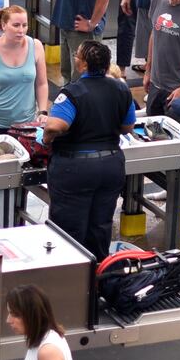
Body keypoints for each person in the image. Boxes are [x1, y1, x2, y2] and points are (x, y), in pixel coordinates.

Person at [41, 39, 135, 258]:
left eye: (76, 56)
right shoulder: (121, 89)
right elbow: (128, 126)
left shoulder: (73, 92)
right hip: (111, 166)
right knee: (100, 227)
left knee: (69, 232)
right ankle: (98, 281)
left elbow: (57, 125)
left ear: (82, 64)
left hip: (76, 170)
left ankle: (72, 282)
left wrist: (46, 138)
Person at [0, 5, 48, 134]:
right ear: (4, 25)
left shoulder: (36, 46)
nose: (21, 30)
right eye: (16, 25)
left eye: (25, 25)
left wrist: (43, 111)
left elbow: (42, 83)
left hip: (26, 123)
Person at [7, 285, 82, 360]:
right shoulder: (42, 338)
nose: (8, 320)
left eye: (15, 315)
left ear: (31, 315)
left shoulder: (47, 353)